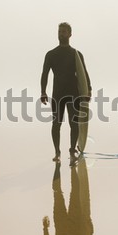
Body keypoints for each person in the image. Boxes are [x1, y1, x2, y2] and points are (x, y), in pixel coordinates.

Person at [40, 22, 91, 164]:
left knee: (74, 124)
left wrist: (89, 90)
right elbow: (44, 74)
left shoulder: (76, 54)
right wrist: (43, 91)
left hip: (73, 94)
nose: (60, 34)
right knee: (56, 124)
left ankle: (72, 151)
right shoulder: (51, 54)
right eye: (59, 31)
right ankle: (57, 152)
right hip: (58, 94)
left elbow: (84, 74)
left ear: (70, 34)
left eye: (63, 31)